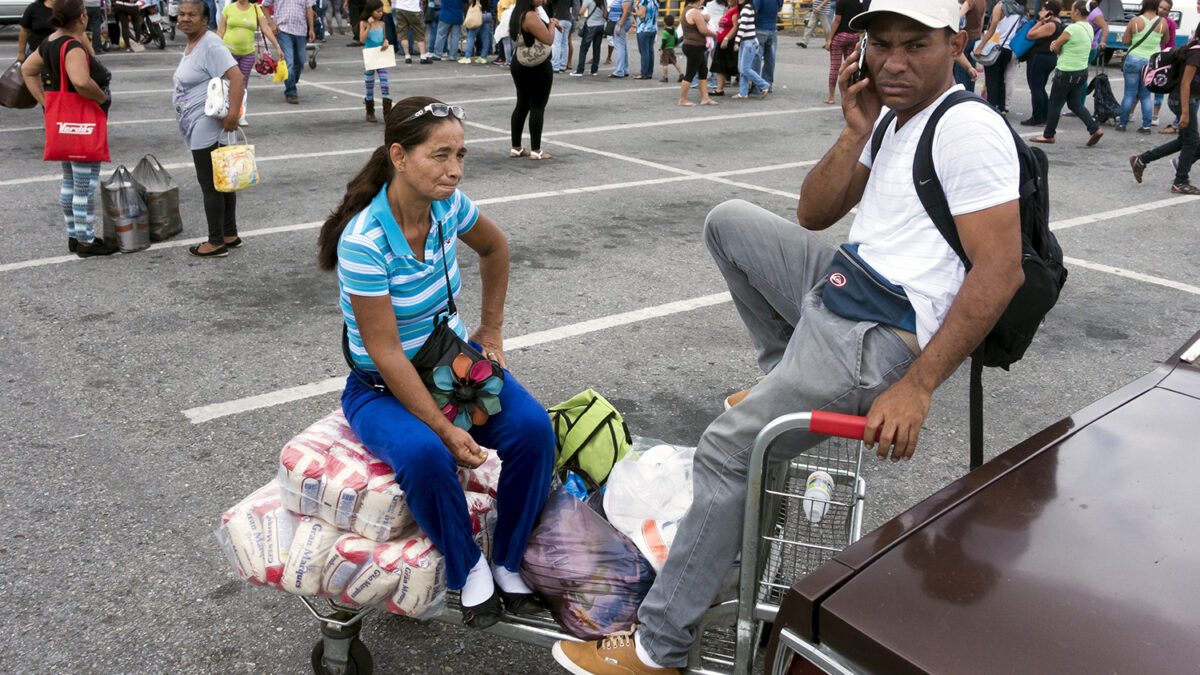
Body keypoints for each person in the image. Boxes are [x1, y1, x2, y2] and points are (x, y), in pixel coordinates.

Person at [551, 1, 1025, 673]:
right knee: (729, 221)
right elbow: (814, 210)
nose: (892, 60)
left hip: (877, 331)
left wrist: (916, 385)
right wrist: (856, 130)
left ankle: (658, 648)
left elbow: (999, 269)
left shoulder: (965, 129)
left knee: (725, 451)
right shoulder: (892, 116)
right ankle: (781, 373)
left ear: (956, 41)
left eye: (914, 44)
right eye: (881, 43)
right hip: (845, 283)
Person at [317, 96, 556, 631]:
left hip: (448, 361)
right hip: (380, 385)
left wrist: (490, 327)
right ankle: (468, 565)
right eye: (439, 155)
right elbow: (385, 353)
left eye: (461, 155)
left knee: (533, 430)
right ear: (398, 156)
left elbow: (496, 249)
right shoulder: (365, 241)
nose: (454, 170)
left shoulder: (450, 206)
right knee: (427, 454)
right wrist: (446, 427)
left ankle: (508, 559)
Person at [20, 0, 117, 258]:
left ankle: (74, 236)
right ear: (83, 18)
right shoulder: (72, 46)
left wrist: (46, 103)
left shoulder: (51, 40)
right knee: (84, 186)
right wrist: (101, 98)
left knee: (70, 181)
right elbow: (81, 82)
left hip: (63, 122)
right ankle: (86, 241)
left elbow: (28, 70)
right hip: (82, 122)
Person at [172, 0, 245, 258]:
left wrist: (233, 115)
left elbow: (236, 77)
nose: (185, 19)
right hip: (198, 123)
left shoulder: (211, 43)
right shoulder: (194, 43)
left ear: (205, 20)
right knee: (222, 181)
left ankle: (215, 242)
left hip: (209, 125)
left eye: (192, 15)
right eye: (181, 14)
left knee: (210, 184)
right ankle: (229, 233)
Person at [1130, 18, 1200, 194]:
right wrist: (1184, 113)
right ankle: (1180, 181)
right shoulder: (1197, 53)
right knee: (1191, 141)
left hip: (1184, 99)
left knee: (1184, 141)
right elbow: (1185, 83)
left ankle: (1142, 160)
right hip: (1183, 100)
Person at [1030, 0, 1102, 146]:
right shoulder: (1088, 27)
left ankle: (1048, 135)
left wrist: (1054, 46)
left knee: (1054, 104)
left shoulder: (1072, 29)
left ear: (1077, 12)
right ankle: (1094, 129)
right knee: (1075, 104)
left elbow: (1056, 47)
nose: (1070, 12)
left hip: (1066, 71)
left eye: (1072, 9)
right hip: (1081, 71)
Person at [507, 0, 557, 159]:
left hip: (519, 62)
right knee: (537, 105)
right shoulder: (530, 16)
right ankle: (536, 150)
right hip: (536, 65)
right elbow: (548, 39)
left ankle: (516, 148)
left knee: (521, 104)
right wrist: (552, 25)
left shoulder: (517, 13)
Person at [219, 0, 283, 114]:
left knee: (243, 85)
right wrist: (213, 49)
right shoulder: (228, 9)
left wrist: (277, 46)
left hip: (247, 54)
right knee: (229, 83)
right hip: (228, 53)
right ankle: (226, 111)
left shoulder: (255, 9)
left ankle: (240, 114)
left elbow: (266, 29)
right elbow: (221, 31)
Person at [1118, 0, 1168, 133]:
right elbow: (1165, 40)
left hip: (1133, 59)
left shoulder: (1134, 21)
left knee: (1129, 94)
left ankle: (1122, 124)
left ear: (1143, 5)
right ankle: (1146, 127)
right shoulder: (1163, 22)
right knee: (1146, 96)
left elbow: (1125, 41)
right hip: (1151, 62)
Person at [974, 0, 1025, 115]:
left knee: (991, 79)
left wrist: (980, 47)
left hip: (995, 48)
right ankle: (1001, 108)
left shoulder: (1000, 7)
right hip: (1008, 49)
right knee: (1001, 79)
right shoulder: (1018, 9)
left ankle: (991, 108)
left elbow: (992, 28)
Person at [1020, 1, 1063, 127]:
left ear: (1050, 12)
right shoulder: (1058, 23)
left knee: (1036, 88)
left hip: (1039, 58)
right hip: (1049, 58)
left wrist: (1040, 22)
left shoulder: (1051, 25)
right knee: (1040, 87)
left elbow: (1030, 35)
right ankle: (1044, 116)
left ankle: (1037, 117)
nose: (1039, 12)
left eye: (1042, 10)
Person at [263, 0, 316, 104]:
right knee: (289, 62)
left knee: (300, 61)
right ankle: (291, 93)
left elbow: (309, 9)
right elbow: (265, 6)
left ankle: (291, 80)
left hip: (301, 30)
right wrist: (271, 23)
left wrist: (311, 29)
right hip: (283, 30)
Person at [823, 0, 862, 104]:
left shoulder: (841, 2)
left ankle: (831, 97)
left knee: (835, 67)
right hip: (854, 36)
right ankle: (850, 97)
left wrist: (830, 38)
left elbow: (837, 20)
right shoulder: (858, 3)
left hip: (841, 36)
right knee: (850, 68)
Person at [678, 0, 716, 104]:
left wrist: (704, 18)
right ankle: (682, 99)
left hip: (692, 45)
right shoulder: (695, 12)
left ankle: (705, 98)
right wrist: (716, 35)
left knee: (703, 71)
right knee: (690, 73)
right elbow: (703, 30)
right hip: (694, 46)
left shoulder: (688, 10)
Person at [731, 0, 770, 98]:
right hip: (747, 42)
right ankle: (743, 93)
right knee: (741, 69)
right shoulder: (747, 7)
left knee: (745, 68)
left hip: (749, 42)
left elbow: (742, 27)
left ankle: (764, 84)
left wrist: (736, 41)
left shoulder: (747, 8)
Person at [360, 0, 392, 122]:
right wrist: (368, 26)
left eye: (381, 11)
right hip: (369, 57)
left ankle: (387, 113)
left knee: (385, 84)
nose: (380, 13)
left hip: (381, 57)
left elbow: (384, 38)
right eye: (378, 11)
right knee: (369, 85)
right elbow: (362, 40)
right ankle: (370, 111)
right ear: (371, 11)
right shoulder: (363, 23)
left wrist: (386, 42)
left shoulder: (382, 24)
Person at [954, 0, 985, 91]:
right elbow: (982, 20)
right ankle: (970, 94)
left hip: (965, 39)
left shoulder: (969, 2)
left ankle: (962, 94)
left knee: (961, 72)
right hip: (976, 38)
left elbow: (957, 17)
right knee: (971, 71)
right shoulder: (982, 2)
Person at [570, 0, 606, 75]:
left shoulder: (588, 0)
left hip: (590, 26)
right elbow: (605, 14)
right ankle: (594, 70)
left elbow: (581, 12)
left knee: (583, 48)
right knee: (597, 48)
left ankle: (580, 70)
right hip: (600, 25)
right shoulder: (603, 1)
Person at [709, 0, 737, 95]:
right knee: (719, 66)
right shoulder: (728, 9)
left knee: (736, 66)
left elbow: (735, 27)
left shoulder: (736, 10)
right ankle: (719, 89)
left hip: (729, 42)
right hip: (721, 41)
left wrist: (726, 38)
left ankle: (752, 85)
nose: (729, 0)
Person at [750, 0, 779, 89]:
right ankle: (768, 84)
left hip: (759, 29)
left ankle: (757, 85)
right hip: (773, 29)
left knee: (756, 58)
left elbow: (754, 11)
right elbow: (779, 9)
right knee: (770, 58)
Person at [632, 0, 657, 79]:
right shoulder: (654, 1)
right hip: (653, 28)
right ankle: (649, 72)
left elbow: (641, 15)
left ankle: (644, 73)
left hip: (644, 29)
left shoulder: (644, 2)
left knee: (644, 52)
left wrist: (636, 7)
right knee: (650, 51)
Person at [549, 0, 575, 71]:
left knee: (556, 43)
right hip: (568, 20)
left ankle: (555, 66)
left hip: (559, 19)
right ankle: (563, 65)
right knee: (565, 43)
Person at [608, 0, 631, 78]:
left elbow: (626, 12)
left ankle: (619, 71)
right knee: (623, 46)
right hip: (618, 22)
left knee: (619, 47)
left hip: (620, 22)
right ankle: (624, 69)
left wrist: (620, 25)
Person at [658, 13, 682, 83]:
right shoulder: (674, 31)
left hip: (665, 49)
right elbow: (676, 39)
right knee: (675, 62)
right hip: (671, 49)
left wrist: (661, 50)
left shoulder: (665, 32)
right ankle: (681, 74)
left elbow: (664, 42)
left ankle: (665, 77)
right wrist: (674, 45)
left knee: (664, 64)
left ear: (664, 23)